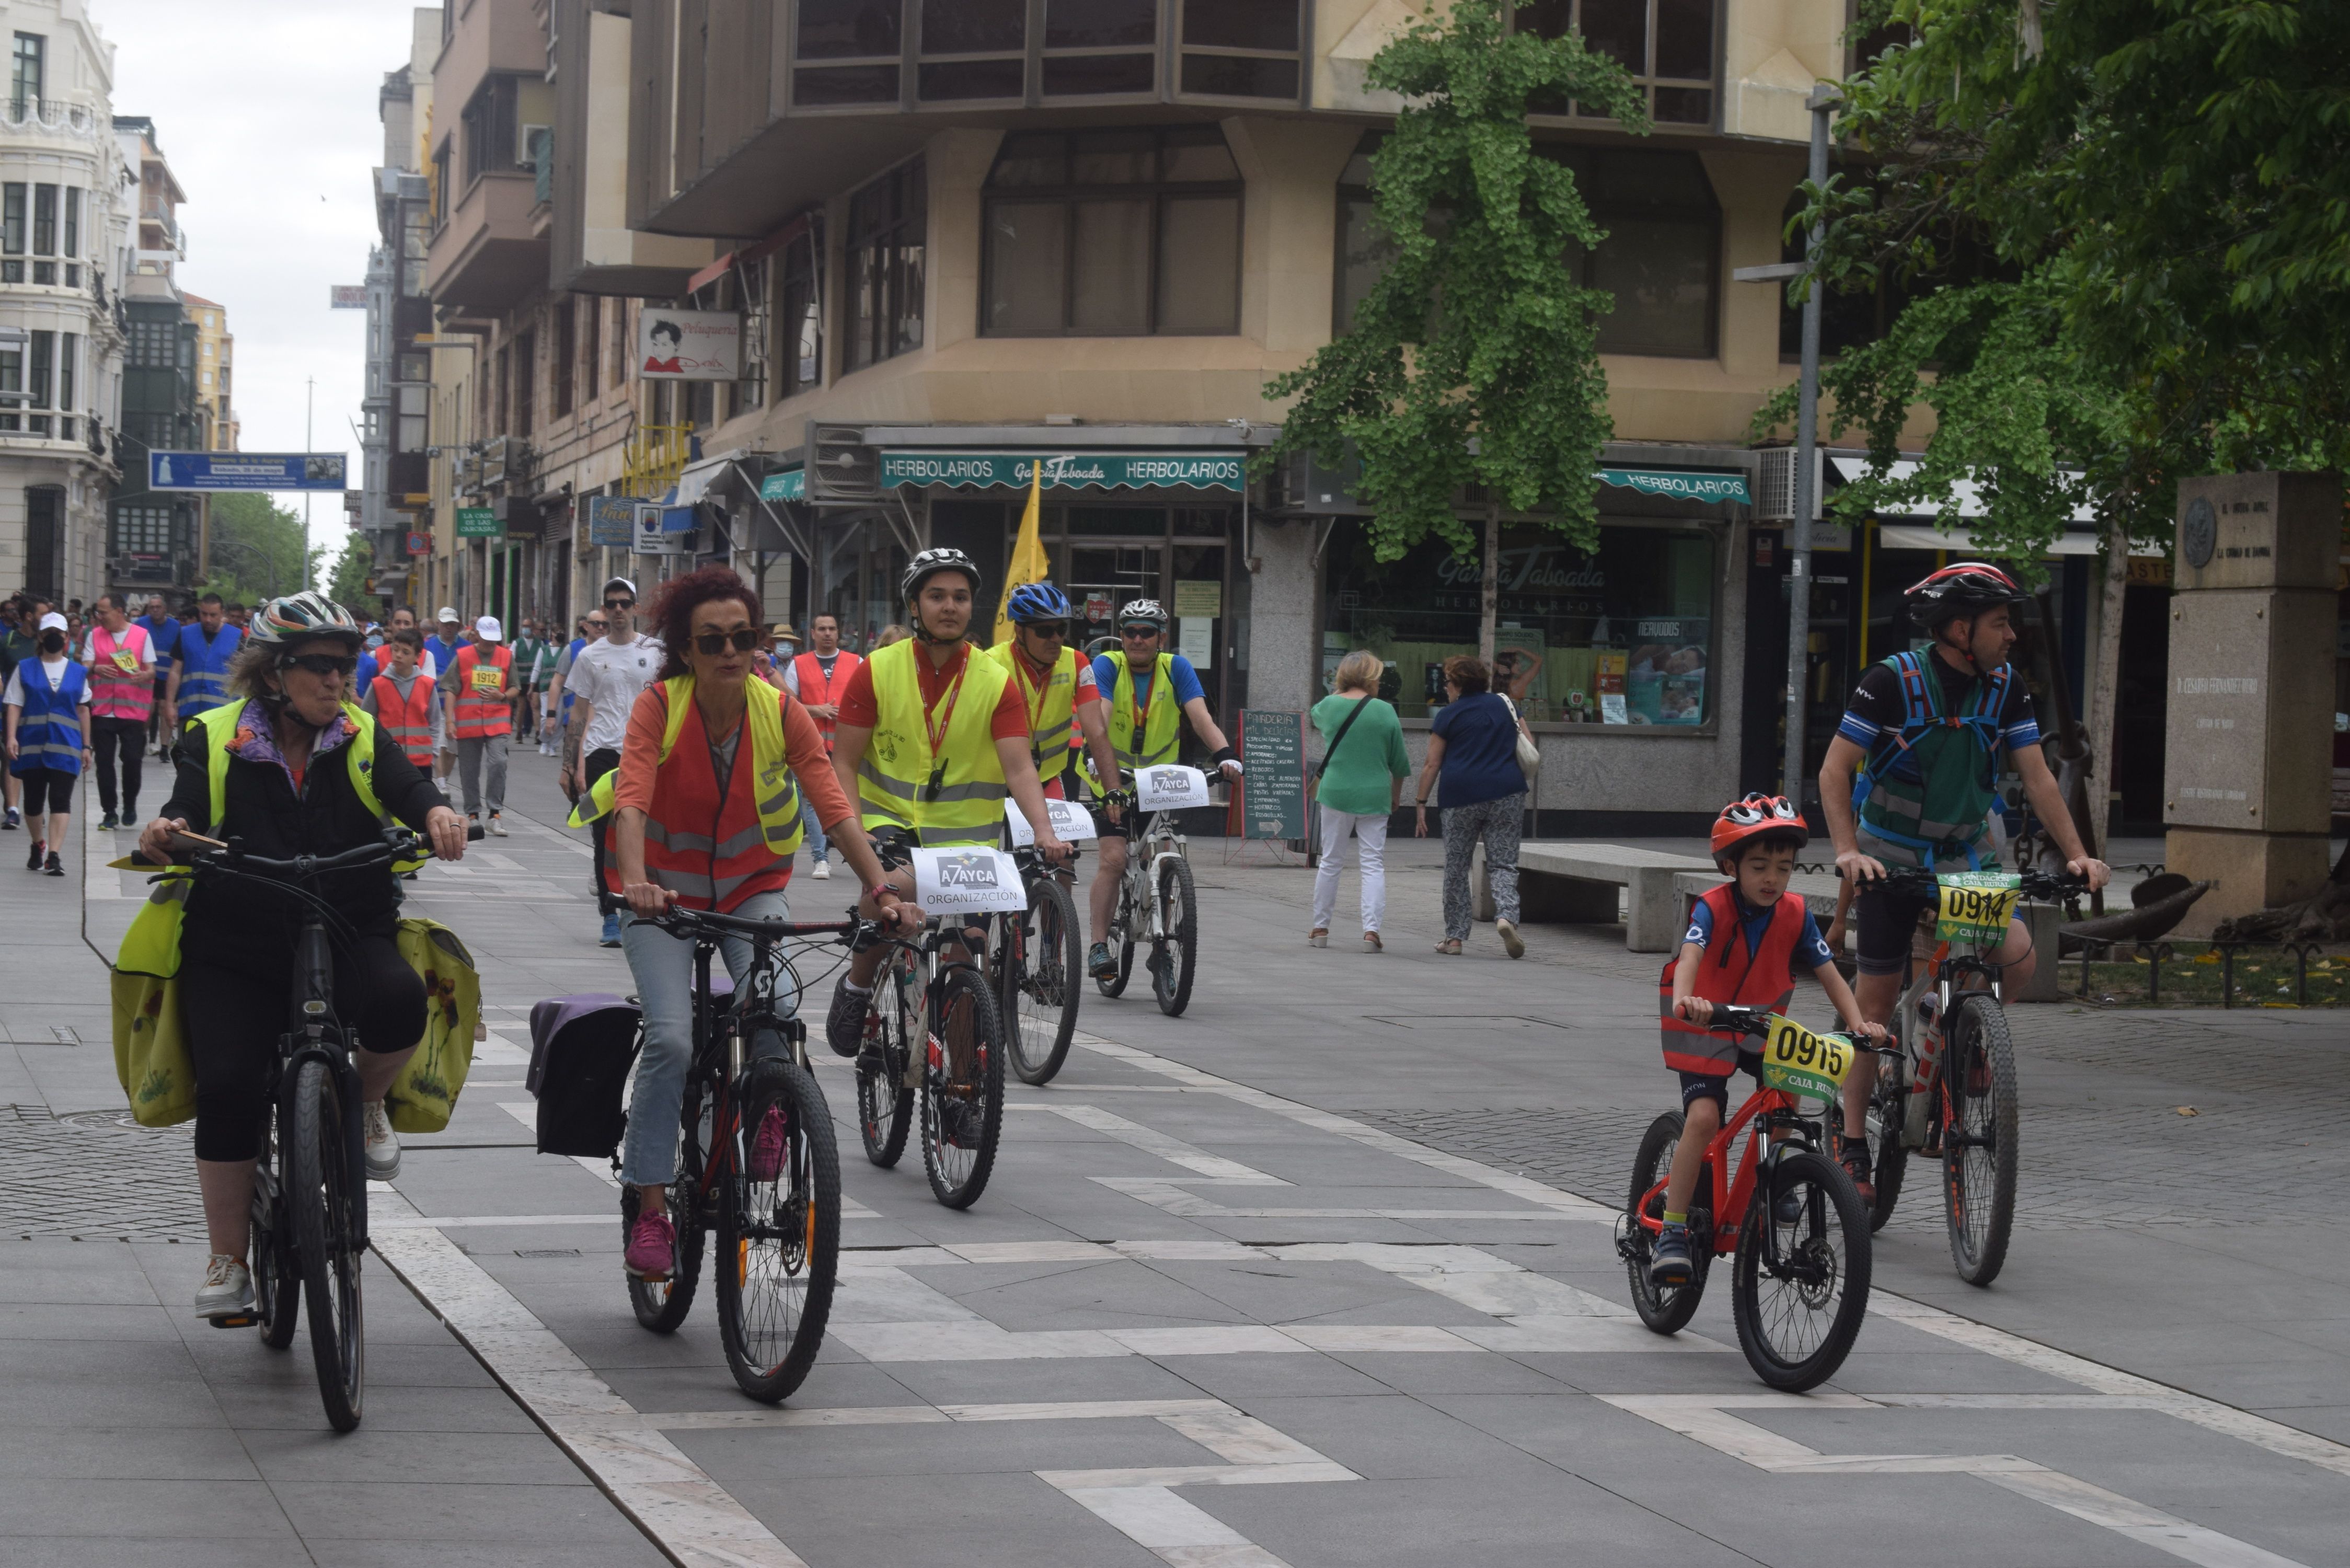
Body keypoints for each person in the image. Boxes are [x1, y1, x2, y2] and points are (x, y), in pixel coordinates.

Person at [135, 592, 467, 1318]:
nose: (337, 682)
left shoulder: (359, 733)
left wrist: (437, 811)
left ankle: (369, 1104)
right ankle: (229, 1260)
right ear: (273, 672)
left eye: (346, 667)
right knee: (228, 1083)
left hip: (348, 922)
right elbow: (187, 806)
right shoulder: (213, 735)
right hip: (236, 940)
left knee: (398, 1002)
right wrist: (169, 831)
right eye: (319, 668)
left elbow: (410, 788)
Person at [593, 567, 917, 1278]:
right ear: (687, 647)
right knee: (673, 1042)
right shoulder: (659, 707)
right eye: (713, 642)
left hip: (750, 891)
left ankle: (771, 1108)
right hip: (665, 899)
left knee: (774, 1006)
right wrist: (639, 883)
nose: (731, 652)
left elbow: (833, 805)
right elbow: (632, 801)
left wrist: (881, 888)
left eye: (744, 638)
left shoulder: (780, 710)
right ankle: (650, 1208)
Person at [1818, 561, 2109, 1199]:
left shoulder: (2006, 689)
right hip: (1887, 860)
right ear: (1957, 628)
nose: (2010, 636)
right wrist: (1845, 851)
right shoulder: (1887, 683)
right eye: (2000, 623)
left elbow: (2036, 777)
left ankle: (1946, 1027)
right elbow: (1833, 772)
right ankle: (1853, 1140)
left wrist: (2078, 856)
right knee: (1871, 1011)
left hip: (1962, 861)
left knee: (2017, 960)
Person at [821, 548, 1072, 1056]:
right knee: (890, 893)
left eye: (960, 597)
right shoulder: (875, 671)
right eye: (936, 596)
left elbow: (1020, 768)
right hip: (888, 827)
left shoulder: (993, 682)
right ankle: (856, 986)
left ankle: (963, 1088)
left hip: (966, 839)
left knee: (969, 957)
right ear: (914, 605)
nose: (950, 606)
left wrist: (1044, 832)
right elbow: (842, 763)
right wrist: (854, 831)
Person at [1648, 795, 1886, 1287]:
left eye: (1784, 867)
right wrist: (1687, 998)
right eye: (1759, 867)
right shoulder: (1711, 908)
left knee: (1791, 1084)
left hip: (1757, 1023)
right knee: (1705, 1117)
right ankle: (1672, 1232)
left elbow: (1830, 973)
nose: (1772, 879)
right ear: (1730, 866)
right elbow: (1691, 953)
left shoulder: (1795, 913)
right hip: (1704, 1019)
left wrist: (1860, 1023)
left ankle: (1774, 1175)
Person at [1082, 598, 1240, 980]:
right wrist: (1095, 755)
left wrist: (1225, 755)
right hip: (1111, 774)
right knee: (1114, 859)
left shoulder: (1176, 668)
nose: (1138, 639)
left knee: (1164, 856)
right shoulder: (1107, 666)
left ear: (1161, 638)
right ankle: (1099, 945)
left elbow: (1200, 717)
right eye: (1131, 632)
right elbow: (1099, 716)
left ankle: (1162, 943)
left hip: (1160, 780)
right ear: (1121, 636)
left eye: (1147, 632)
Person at [1414, 655, 1531, 959]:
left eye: (1449, 683)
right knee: (1503, 862)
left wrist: (1421, 802)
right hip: (1507, 792)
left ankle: (1454, 938)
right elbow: (1529, 744)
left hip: (1460, 797)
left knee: (1456, 866)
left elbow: (1432, 764)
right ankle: (1506, 917)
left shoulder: (1448, 715)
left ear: (1459, 685)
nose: (1446, 689)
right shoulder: (1506, 706)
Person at [569, 580, 662, 946]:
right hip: (602, 752)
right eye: (612, 604)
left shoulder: (655, 651)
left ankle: (643, 904)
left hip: (643, 751)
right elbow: (578, 713)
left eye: (625, 603)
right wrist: (570, 764)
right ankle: (610, 913)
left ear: (636, 608)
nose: (619, 610)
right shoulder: (590, 656)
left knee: (645, 831)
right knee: (604, 835)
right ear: (604, 612)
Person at [1309, 651, 1411, 953]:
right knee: (1372, 864)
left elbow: (1316, 713)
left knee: (1330, 861)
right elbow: (1400, 763)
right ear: (1372, 677)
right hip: (1375, 792)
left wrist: (1340, 691)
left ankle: (1320, 929)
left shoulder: (1329, 706)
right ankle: (1371, 932)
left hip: (1336, 791)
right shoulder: (1385, 711)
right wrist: (1395, 796)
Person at [776, 610, 865, 881]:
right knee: (813, 803)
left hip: (848, 748)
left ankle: (856, 855)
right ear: (812, 633)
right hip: (811, 745)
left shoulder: (857, 662)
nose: (827, 634)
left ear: (839, 634)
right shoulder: (798, 664)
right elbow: (790, 704)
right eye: (822, 629)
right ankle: (821, 859)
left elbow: (869, 702)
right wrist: (817, 710)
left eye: (832, 629)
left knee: (848, 802)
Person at [4, 610, 91, 874]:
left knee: (61, 800)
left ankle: (54, 855)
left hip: (66, 747)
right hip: (31, 746)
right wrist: (10, 738)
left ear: (67, 637)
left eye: (59, 633)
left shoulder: (77, 672)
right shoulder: (26, 668)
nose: (54, 637)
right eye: (48, 633)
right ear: (41, 637)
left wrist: (87, 746)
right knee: (32, 804)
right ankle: (37, 843)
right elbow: (14, 705)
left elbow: (83, 709)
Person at [81, 593, 156, 831]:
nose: (99, 617)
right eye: (97, 613)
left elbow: (152, 669)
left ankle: (130, 803)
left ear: (119, 611)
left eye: (103, 612)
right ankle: (110, 811)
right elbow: (85, 667)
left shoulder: (141, 635)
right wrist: (96, 668)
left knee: (132, 760)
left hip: (133, 711)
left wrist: (146, 675)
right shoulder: (95, 635)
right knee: (104, 763)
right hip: (103, 710)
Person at [442, 615, 516, 835]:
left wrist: (501, 695)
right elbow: (451, 689)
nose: (490, 644)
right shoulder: (463, 656)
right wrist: (449, 721)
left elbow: (515, 688)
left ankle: (495, 815)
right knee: (469, 771)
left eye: (494, 639)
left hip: (498, 723)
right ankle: (473, 814)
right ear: (476, 634)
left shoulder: (506, 656)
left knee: (499, 763)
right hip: (469, 723)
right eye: (486, 639)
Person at [160, 593, 244, 752]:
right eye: (204, 614)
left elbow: (243, 678)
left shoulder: (237, 638)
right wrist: (170, 705)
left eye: (213, 615)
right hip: (190, 713)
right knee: (187, 762)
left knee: (217, 763)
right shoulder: (186, 634)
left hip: (222, 715)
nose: (208, 619)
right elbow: (175, 672)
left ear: (222, 614)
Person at [361, 628, 439, 769]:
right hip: (388, 759)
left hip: (422, 761)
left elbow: (435, 722)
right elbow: (366, 721)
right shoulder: (378, 685)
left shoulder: (427, 686)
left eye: (405, 652)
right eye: (395, 649)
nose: (398, 655)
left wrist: (433, 754)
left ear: (418, 656)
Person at [546, 613, 596, 759]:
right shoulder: (573, 649)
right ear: (586, 626)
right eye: (596, 623)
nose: (601, 627)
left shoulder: (614, 650)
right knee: (574, 765)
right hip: (575, 719)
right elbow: (556, 683)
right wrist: (551, 715)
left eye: (605, 624)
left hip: (603, 720)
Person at [135, 595, 178, 750]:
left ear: (165, 609)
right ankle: (141, 740)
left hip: (167, 677)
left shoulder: (176, 627)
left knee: (165, 710)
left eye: (158, 607)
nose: (155, 610)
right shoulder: (141, 625)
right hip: (148, 676)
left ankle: (165, 747)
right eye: (152, 607)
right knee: (148, 710)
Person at [509, 619, 547, 742]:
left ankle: (538, 732)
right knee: (521, 707)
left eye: (528, 626)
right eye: (524, 626)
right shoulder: (517, 643)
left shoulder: (539, 643)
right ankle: (519, 731)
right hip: (521, 680)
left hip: (534, 680)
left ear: (533, 628)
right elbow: (511, 660)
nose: (525, 629)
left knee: (535, 705)